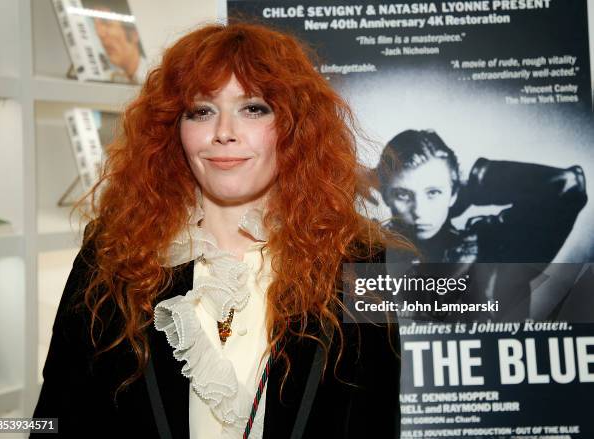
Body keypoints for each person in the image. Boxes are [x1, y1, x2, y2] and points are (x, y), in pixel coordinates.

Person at [32, 22, 410, 438]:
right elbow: (54, 419)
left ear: (293, 128)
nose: (224, 132)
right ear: (173, 130)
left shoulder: (359, 264)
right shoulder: (112, 254)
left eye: (254, 108)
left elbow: (375, 423)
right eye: (202, 111)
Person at [376, 129, 587, 319]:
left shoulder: (491, 248)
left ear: (454, 193)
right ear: (386, 196)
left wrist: (471, 181)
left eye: (433, 193)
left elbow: (567, 184)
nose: (420, 211)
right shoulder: (368, 252)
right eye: (403, 194)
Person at [84, 0, 148, 84]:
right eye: (95, 24)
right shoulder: (113, 77)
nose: (100, 33)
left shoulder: (153, 79)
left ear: (134, 34)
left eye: (106, 23)